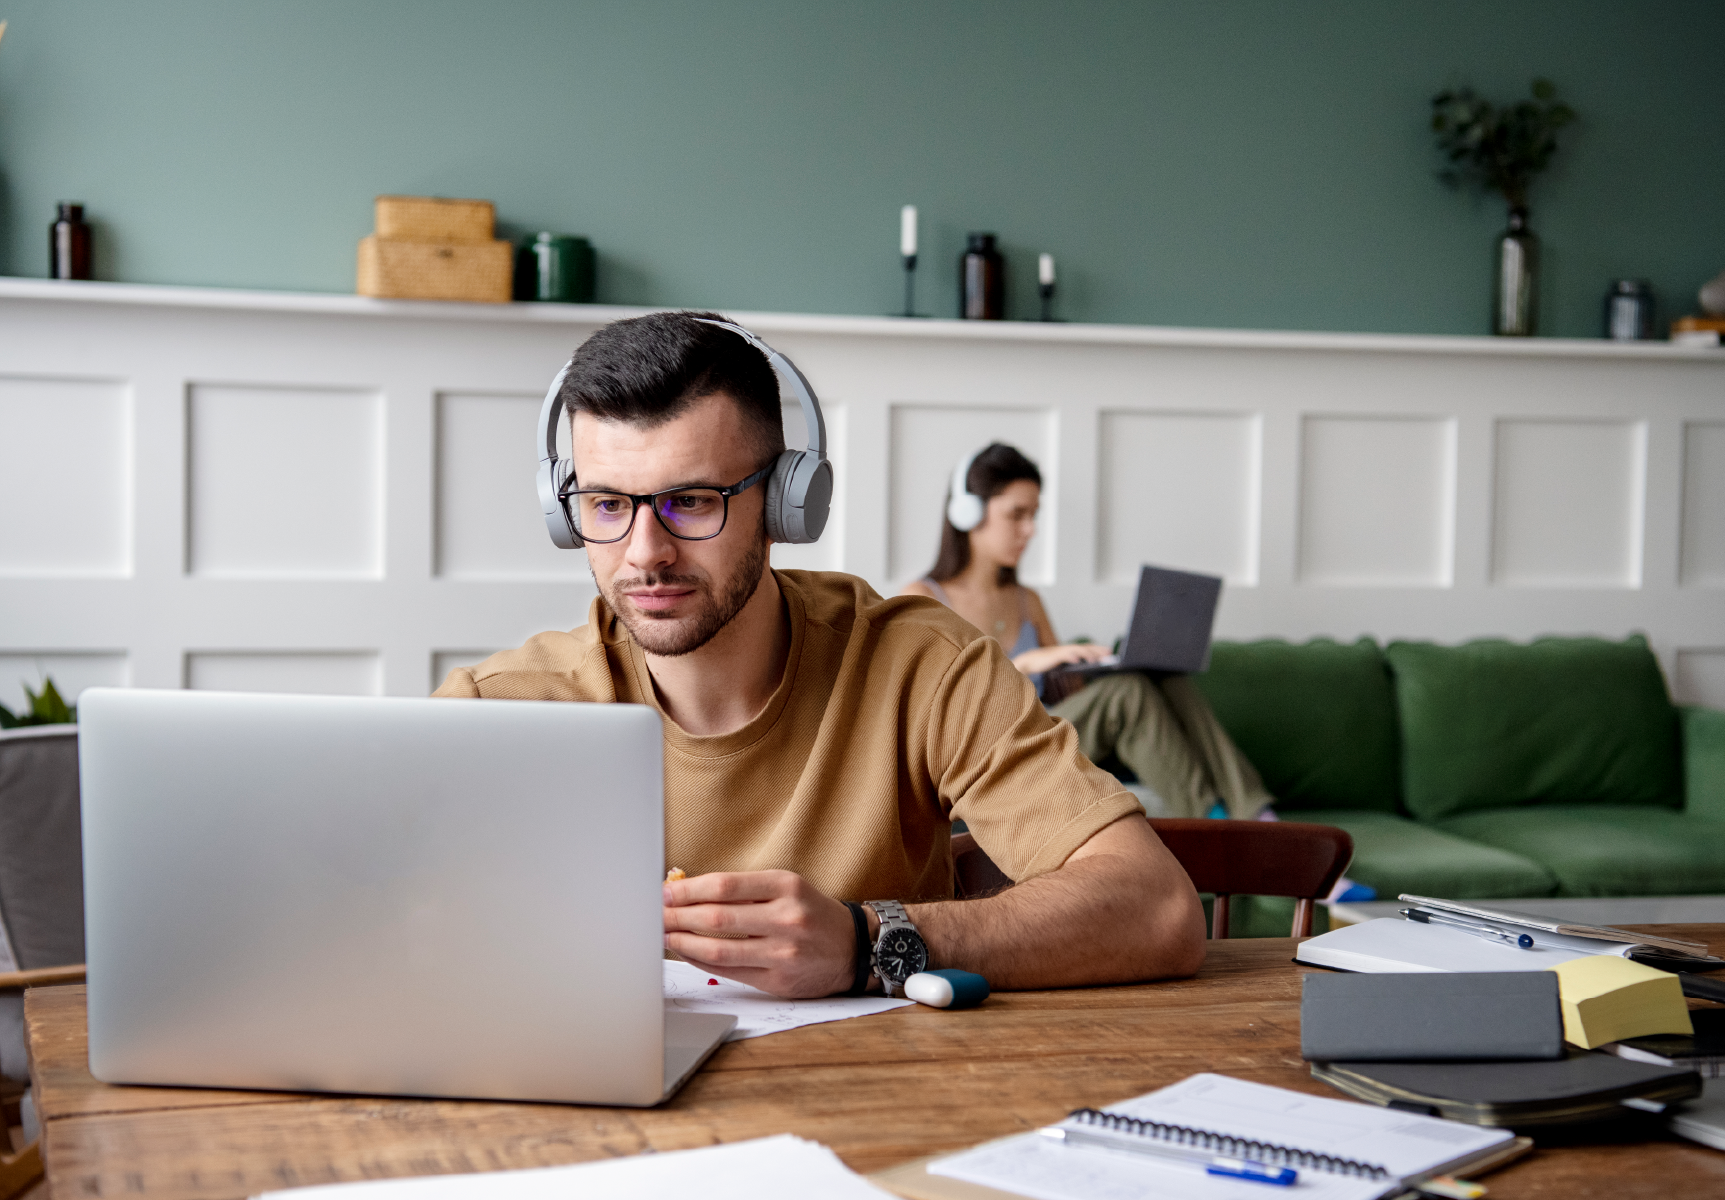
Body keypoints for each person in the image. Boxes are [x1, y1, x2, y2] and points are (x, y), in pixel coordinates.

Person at [435, 312, 1206, 999]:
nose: (645, 554)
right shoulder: (495, 707)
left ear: (785, 506)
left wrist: (867, 943)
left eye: (692, 501)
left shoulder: (924, 667)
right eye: (607, 504)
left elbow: (1158, 908)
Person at [900, 443, 1274, 822]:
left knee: (1163, 680)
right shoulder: (922, 598)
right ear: (968, 513)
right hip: (991, 752)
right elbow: (932, 713)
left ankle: (1259, 816)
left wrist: (1100, 667)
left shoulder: (1027, 600)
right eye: (1017, 515)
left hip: (1052, 733)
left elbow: (1071, 699)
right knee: (1126, 696)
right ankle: (1220, 825)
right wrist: (1024, 665)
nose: (1030, 530)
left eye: (1034, 515)